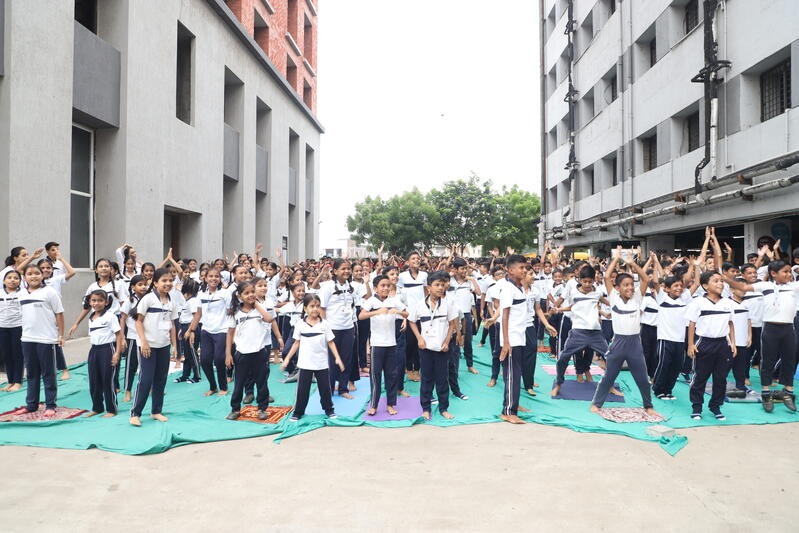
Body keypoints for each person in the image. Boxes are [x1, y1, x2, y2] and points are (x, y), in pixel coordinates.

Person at [590, 251, 658, 417]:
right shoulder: (613, 297)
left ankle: (648, 405)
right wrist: (616, 258)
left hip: (635, 344)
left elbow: (645, 279)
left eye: (631, 285)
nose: (630, 288)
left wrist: (632, 263)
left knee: (642, 378)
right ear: (618, 288)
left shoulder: (637, 298)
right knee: (609, 376)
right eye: (625, 285)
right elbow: (607, 276)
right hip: (618, 343)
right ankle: (597, 404)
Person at [724, 261, 799, 412]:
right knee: (767, 361)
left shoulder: (794, 286)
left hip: (788, 328)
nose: (788, 274)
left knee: (789, 360)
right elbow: (744, 287)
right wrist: (726, 279)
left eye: (789, 271)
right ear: (773, 273)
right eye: (785, 272)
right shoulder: (765, 286)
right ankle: (766, 393)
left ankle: (788, 392)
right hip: (770, 328)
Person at [499, 255, 557, 424]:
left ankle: (513, 404)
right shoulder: (508, 289)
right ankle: (508, 411)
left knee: (516, 374)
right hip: (512, 339)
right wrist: (506, 343)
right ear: (510, 270)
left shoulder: (519, 288)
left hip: (520, 336)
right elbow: (504, 316)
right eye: (521, 268)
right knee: (512, 375)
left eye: (526, 268)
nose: (524, 271)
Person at [281, 294, 345, 421]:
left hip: (321, 363)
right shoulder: (300, 324)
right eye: (311, 306)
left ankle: (329, 410)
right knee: (302, 390)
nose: (315, 309)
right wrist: (287, 358)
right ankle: (298, 412)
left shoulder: (325, 324)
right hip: (305, 363)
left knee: (325, 389)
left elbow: (331, 342)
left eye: (317, 306)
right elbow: (296, 343)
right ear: (305, 308)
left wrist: (337, 358)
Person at [129, 268, 179, 427]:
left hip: (164, 346)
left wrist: (174, 346)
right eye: (164, 280)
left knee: (161, 379)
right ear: (155, 283)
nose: (168, 283)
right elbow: (138, 321)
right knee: (145, 380)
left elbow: (172, 325)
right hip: (148, 346)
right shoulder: (148, 299)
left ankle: (156, 411)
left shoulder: (172, 301)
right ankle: (135, 413)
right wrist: (144, 342)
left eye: (170, 280)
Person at [408, 271, 459, 421]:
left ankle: (443, 408)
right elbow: (411, 321)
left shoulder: (448, 304)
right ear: (429, 288)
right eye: (437, 285)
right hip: (425, 348)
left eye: (442, 285)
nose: (440, 288)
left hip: (442, 348)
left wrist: (447, 342)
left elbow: (452, 324)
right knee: (426, 378)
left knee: (442, 379)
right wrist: (419, 338)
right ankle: (426, 408)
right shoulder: (419, 305)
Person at [686, 271, 736, 421]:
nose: (720, 283)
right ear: (705, 286)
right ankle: (697, 407)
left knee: (721, 378)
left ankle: (716, 406)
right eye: (715, 281)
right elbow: (692, 324)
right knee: (700, 376)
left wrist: (733, 343)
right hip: (704, 343)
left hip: (723, 344)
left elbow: (731, 323)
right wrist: (690, 344)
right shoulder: (698, 303)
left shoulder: (728, 303)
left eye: (721, 281)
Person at [16, 264, 65, 416]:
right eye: (30, 274)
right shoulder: (21, 294)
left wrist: (61, 335)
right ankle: (31, 405)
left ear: (42, 275)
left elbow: (59, 313)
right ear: (24, 277)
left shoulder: (49, 292)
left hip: (46, 339)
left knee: (48, 373)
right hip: (27, 339)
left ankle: (50, 405)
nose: (34, 276)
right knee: (31, 373)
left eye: (37, 273)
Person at [551, 264, 607, 397]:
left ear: (594, 280)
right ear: (580, 280)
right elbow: (573, 306)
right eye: (585, 281)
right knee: (563, 358)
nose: (587, 284)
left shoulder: (597, 292)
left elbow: (606, 302)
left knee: (611, 357)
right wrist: (559, 309)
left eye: (590, 281)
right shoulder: (574, 292)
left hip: (595, 333)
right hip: (578, 332)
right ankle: (558, 384)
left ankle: (608, 385)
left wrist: (609, 311)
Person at [224, 281, 275, 421]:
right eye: (246, 293)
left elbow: (269, 319)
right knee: (239, 383)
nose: (250, 295)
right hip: (242, 354)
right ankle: (235, 409)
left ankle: (262, 408)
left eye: (252, 292)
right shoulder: (235, 313)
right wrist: (228, 354)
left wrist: (256, 304)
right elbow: (230, 333)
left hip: (259, 352)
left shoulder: (259, 310)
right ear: (239, 296)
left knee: (262, 382)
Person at [359, 274, 407, 416]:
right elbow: (361, 316)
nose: (386, 288)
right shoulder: (371, 301)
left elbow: (407, 313)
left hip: (391, 343)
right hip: (377, 344)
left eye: (388, 285)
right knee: (375, 375)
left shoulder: (393, 300)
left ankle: (390, 404)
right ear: (375, 288)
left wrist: (397, 311)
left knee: (391, 375)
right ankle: (374, 405)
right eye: (382, 286)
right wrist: (376, 312)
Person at [187, 268, 232, 396]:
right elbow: (198, 314)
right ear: (205, 278)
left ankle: (223, 387)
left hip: (222, 330)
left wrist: (232, 331)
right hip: (206, 330)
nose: (213, 278)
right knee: (205, 360)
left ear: (220, 279)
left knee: (219, 360)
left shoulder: (225, 293)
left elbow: (230, 312)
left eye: (216, 276)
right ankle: (213, 387)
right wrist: (191, 330)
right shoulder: (201, 294)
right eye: (210, 276)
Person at [318, 259, 357, 398]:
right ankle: (328, 388)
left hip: (348, 327)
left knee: (346, 359)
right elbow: (322, 308)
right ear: (335, 271)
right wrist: (325, 326)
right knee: (332, 360)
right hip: (333, 328)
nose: (346, 271)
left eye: (348, 268)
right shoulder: (327, 287)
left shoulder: (350, 286)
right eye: (343, 269)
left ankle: (343, 388)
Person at [85, 290, 123, 417]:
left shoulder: (110, 316)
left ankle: (111, 409)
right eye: (94, 300)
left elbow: (118, 335)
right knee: (94, 380)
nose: (96, 303)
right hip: (94, 350)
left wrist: (117, 353)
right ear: (90, 302)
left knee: (108, 380)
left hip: (107, 350)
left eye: (100, 300)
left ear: (106, 302)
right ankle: (97, 407)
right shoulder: (91, 318)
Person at [398, 251, 428, 382]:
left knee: (420, 342)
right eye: (413, 258)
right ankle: (409, 369)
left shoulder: (424, 275)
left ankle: (418, 369)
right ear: (407, 262)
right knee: (409, 343)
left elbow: (426, 291)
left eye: (418, 258)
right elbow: (399, 294)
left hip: (421, 314)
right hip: (408, 314)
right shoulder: (402, 276)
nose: (416, 260)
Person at [449, 258, 481, 374]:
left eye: (466, 268)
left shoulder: (469, 282)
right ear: (455, 269)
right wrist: (450, 273)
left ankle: (470, 365)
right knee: (454, 342)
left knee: (467, 341)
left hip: (466, 315)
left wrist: (472, 279)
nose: (464, 271)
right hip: (453, 315)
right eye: (462, 268)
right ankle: (453, 369)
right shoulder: (449, 280)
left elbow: (479, 292)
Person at [119, 275, 148, 402]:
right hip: (132, 337)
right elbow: (123, 319)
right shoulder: (129, 301)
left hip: (147, 337)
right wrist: (122, 337)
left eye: (145, 284)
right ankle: (128, 390)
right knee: (131, 365)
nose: (143, 287)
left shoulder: (149, 299)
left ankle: (149, 387)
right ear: (133, 287)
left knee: (147, 364)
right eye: (140, 285)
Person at [0, 270, 24, 392]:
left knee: (17, 354)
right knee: (6, 355)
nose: (12, 280)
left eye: (16, 278)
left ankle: (18, 382)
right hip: (2, 327)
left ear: (20, 281)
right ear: (4, 281)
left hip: (18, 327)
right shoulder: (0, 293)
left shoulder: (23, 293)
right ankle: (10, 381)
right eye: (9, 277)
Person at [174, 278, 201, 384]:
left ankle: (197, 376)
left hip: (191, 327)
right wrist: (182, 329)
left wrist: (190, 331)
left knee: (192, 353)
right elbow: (186, 316)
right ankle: (185, 375)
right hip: (185, 327)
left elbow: (196, 317)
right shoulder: (188, 301)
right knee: (187, 354)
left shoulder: (193, 301)